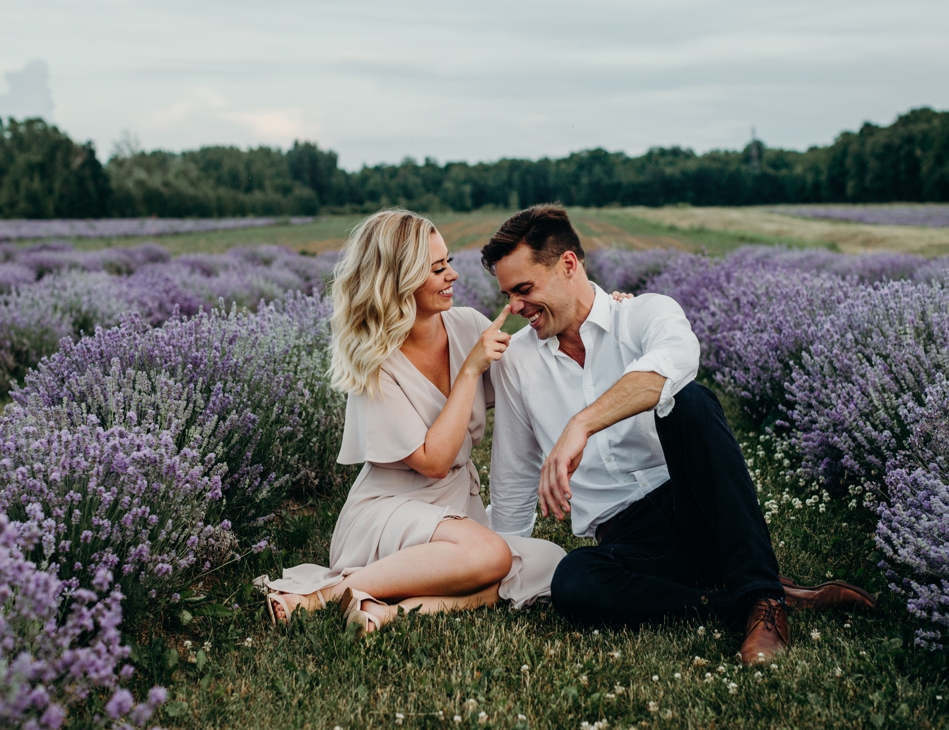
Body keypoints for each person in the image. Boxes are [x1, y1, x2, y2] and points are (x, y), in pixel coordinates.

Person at [482, 203, 873, 664]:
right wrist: (501, 563)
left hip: (699, 510)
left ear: (568, 264)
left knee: (690, 401)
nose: (515, 307)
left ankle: (764, 600)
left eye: (524, 289)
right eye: (508, 294)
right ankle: (742, 600)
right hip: (629, 540)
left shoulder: (645, 313)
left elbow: (673, 364)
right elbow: (513, 471)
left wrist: (580, 424)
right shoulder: (519, 362)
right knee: (574, 581)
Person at [260, 210, 562, 634]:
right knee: (493, 559)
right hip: (389, 513)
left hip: (457, 511)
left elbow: (533, 378)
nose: (453, 275)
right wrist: (471, 370)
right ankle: (320, 597)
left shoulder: (468, 326)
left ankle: (385, 612)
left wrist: (598, 310)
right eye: (437, 269)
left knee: (552, 563)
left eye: (449, 262)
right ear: (398, 281)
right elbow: (434, 460)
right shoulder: (375, 362)